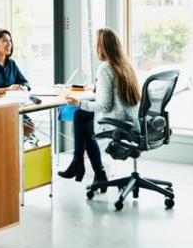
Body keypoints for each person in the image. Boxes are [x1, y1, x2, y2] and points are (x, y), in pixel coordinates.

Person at [58, 28, 140, 186]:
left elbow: (104, 105)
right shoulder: (126, 65)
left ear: (102, 47)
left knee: (80, 117)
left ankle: (79, 163)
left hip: (117, 124)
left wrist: (78, 103)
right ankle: (95, 171)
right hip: (131, 121)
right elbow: (116, 97)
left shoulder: (105, 68)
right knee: (83, 120)